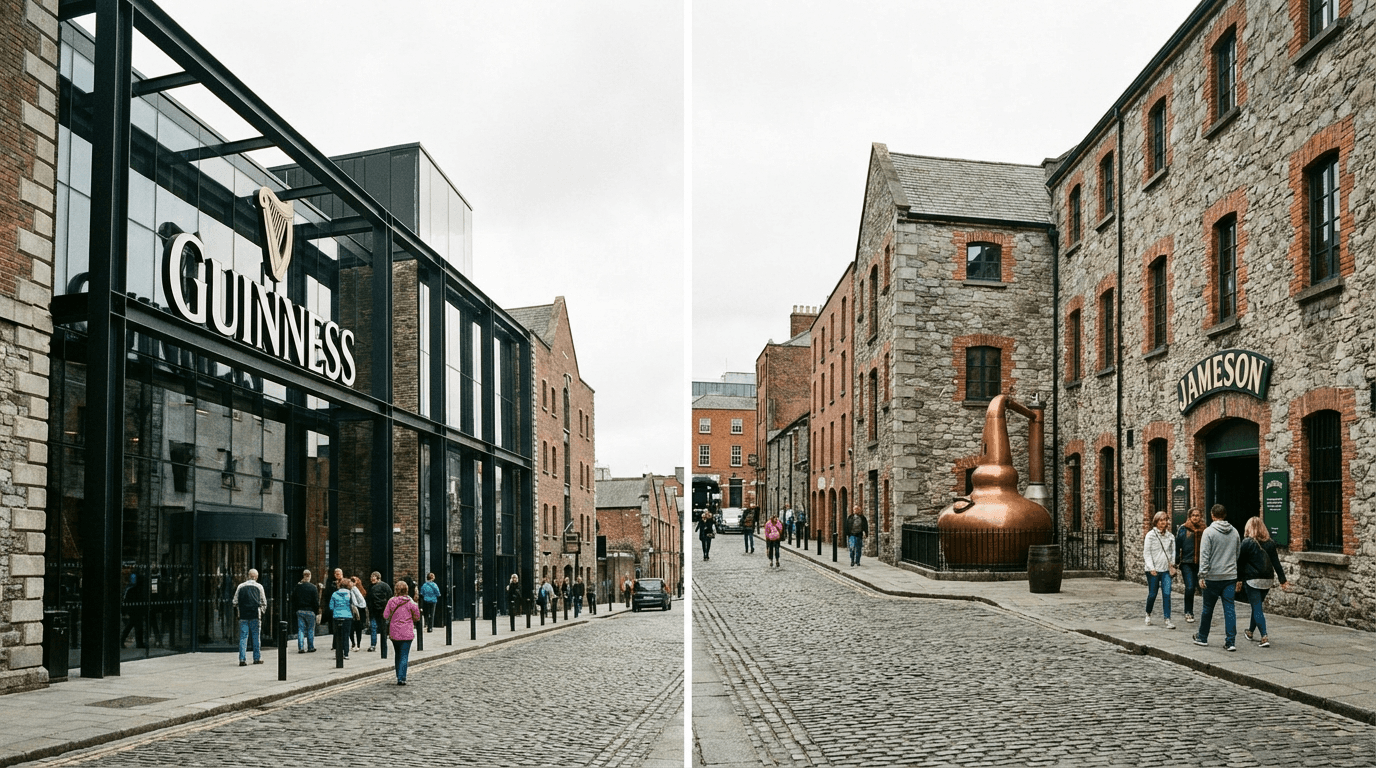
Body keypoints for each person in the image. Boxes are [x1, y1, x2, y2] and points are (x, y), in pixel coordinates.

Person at [1193, 504, 1241, 651]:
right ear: (1224, 515)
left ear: (1212, 515)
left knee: (1207, 608)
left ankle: (1202, 637)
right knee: (1229, 609)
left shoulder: (1208, 532)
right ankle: (1230, 641)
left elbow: (1205, 555)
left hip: (1212, 577)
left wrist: (1202, 575)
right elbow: (1237, 553)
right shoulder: (1235, 532)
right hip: (1229, 576)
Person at [1239, 516, 1290, 648]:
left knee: (1257, 608)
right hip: (1267, 580)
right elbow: (1276, 563)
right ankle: (1250, 631)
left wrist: (1238, 580)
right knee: (1257, 607)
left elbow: (1240, 563)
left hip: (1252, 579)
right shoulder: (1270, 543)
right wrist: (1282, 580)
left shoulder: (1246, 543)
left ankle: (1264, 636)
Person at [383, 581, 422, 686]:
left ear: (396, 590)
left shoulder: (391, 601)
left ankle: (398, 675)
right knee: (404, 655)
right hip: (407, 633)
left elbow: (385, 615)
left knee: (397, 654)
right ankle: (402, 678)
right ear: (407, 590)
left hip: (394, 632)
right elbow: (417, 617)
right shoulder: (411, 602)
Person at [1142, 510, 1176, 630]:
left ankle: (1167, 619)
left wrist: (1172, 564)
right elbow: (1147, 553)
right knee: (1153, 594)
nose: (1163, 522)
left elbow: (1173, 552)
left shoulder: (1170, 536)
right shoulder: (1150, 535)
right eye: (1161, 520)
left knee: (1167, 593)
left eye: (1165, 520)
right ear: (1156, 522)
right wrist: (1151, 568)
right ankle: (1148, 613)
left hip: (1166, 570)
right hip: (1153, 570)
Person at [1176, 507, 1206, 623]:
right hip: (1187, 563)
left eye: (1197, 515)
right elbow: (1177, 545)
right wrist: (1177, 560)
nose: (1195, 517)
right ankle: (1188, 611)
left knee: (1204, 589)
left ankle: (1206, 612)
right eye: (1193, 515)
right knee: (1190, 587)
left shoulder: (1205, 529)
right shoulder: (1184, 529)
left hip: (1200, 563)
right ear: (1189, 517)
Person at [232, 568, 267, 666]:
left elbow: (234, 601)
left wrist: (239, 611)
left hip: (243, 615)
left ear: (248, 576)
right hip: (255, 615)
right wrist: (261, 612)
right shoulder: (259, 587)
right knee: (256, 637)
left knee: (243, 637)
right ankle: (257, 658)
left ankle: (242, 659)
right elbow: (264, 602)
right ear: (256, 577)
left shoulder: (240, 586)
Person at [291, 569, 319, 653]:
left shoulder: (298, 587)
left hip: (300, 610)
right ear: (310, 576)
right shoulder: (313, 587)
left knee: (301, 629)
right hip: (310, 611)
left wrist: (295, 609)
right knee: (310, 629)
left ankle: (301, 647)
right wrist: (316, 611)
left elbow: (293, 599)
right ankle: (310, 647)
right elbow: (316, 601)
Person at [367, 571, 394, 657]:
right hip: (376, 610)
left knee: (379, 628)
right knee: (374, 627)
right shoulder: (372, 587)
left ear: (378, 578)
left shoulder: (384, 586)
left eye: (373, 578)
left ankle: (380, 645)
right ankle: (374, 645)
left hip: (381, 610)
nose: (371, 579)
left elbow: (390, 597)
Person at [328, 578, 354, 659]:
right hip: (347, 617)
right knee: (346, 635)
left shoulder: (334, 594)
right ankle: (346, 654)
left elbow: (331, 607)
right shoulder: (349, 594)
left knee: (338, 635)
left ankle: (338, 654)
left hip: (337, 617)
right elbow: (353, 604)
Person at [348, 576, 368, 651]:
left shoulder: (353, 589)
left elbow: (355, 601)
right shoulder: (360, 589)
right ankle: (357, 644)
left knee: (352, 628)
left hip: (356, 610)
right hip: (360, 610)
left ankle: (354, 644)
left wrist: (354, 606)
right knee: (358, 629)